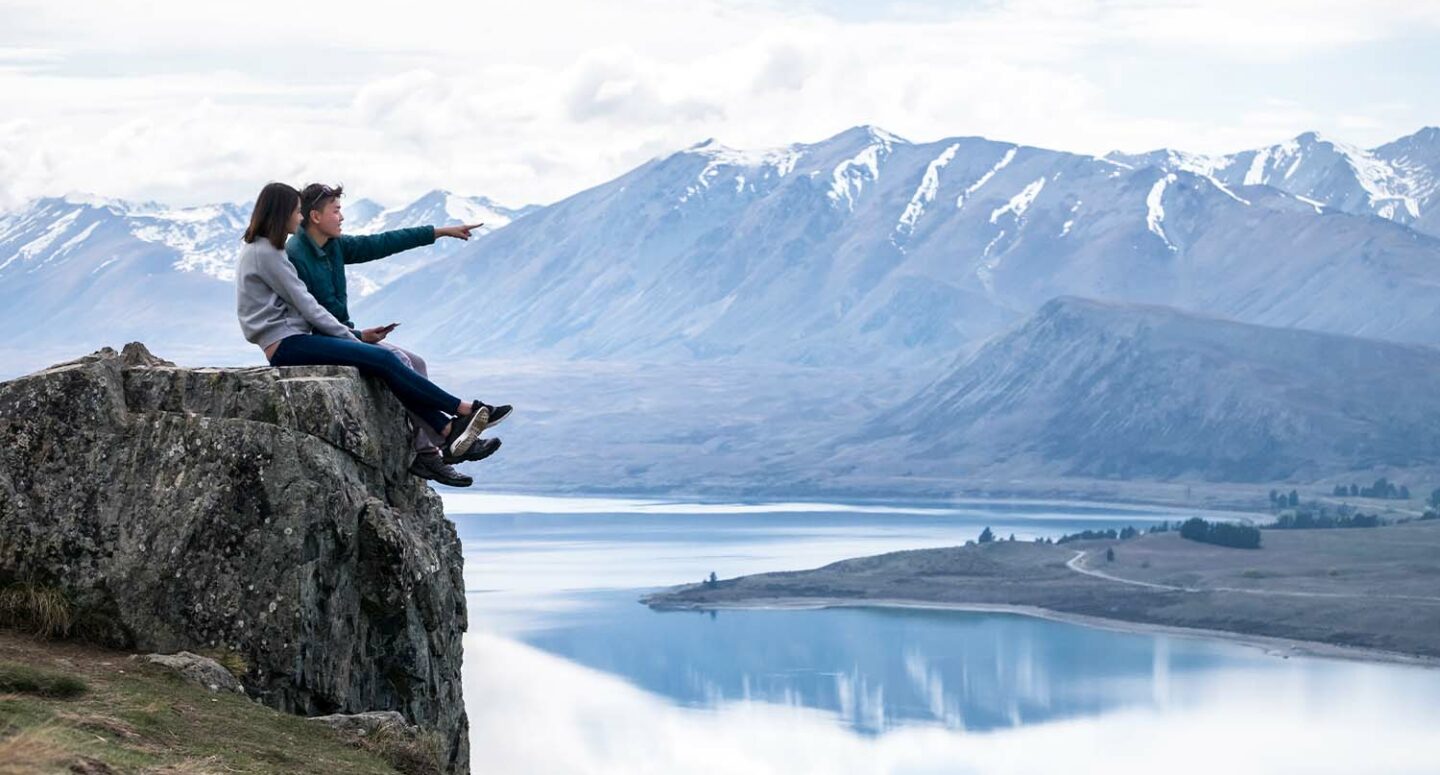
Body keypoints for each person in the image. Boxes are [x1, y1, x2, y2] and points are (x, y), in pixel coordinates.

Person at [235, 182, 502, 486]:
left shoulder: (270, 249)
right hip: (286, 345)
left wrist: (437, 232)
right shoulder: (270, 253)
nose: (298, 219)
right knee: (386, 360)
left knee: (391, 360)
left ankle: (448, 432)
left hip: (294, 339)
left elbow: (381, 243)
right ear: (286, 212)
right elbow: (309, 306)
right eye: (296, 212)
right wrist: (355, 338)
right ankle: (461, 411)